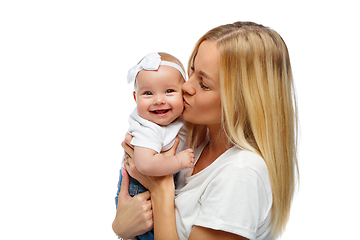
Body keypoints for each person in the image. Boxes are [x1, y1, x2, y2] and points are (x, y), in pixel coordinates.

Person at [113, 21, 299, 240]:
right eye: (192, 71)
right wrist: (121, 228)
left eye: (204, 83)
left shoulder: (241, 174)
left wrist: (160, 189)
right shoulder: (195, 141)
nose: (186, 87)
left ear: (241, 100)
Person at [115, 52, 195, 240]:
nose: (159, 100)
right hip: (139, 192)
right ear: (135, 98)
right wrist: (177, 160)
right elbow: (144, 165)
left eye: (169, 91)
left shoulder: (176, 119)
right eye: (148, 93)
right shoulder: (147, 128)